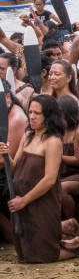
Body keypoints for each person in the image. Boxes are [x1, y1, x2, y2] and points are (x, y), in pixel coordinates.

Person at [0, 94, 79, 262]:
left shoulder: (53, 141)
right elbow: (15, 167)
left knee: (44, 256)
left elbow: (50, 179)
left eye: (37, 113)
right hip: (20, 201)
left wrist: (24, 200)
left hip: (41, 202)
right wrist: (5, 156)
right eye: (30, 112)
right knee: (26, 254)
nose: (32, 116)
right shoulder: (27, 136)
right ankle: (67, 233)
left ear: (48, 115)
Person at [0, 79, 27, 242]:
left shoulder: (16, 118)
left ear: (7, 97)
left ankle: (14, 239)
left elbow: (5, 161)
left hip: (12, 175)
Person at [57, 96, 79, 220]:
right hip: (63, 173)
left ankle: (72, 220)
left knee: (62, 188)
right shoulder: (60, 130)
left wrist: (58, 157)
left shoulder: (77, 131)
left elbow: (78, 160)